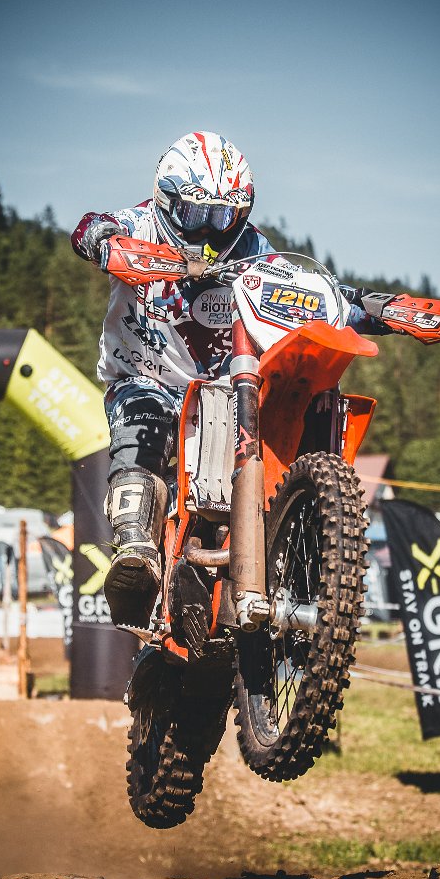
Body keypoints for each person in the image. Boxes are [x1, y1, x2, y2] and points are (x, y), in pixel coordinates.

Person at [72, 130, 396, 627]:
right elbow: (90, 227)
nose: (209, 229)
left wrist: (380, 308)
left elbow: (311, 290)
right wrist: (103, 242)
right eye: (195, 214)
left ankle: (303, 551)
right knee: (143, 427)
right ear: (167, 200)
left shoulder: (253, 248)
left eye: (222, 217)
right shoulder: (139, 224)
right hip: (147, 376)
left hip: (225, 389)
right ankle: (136, 550)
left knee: (292, 415)